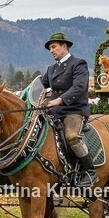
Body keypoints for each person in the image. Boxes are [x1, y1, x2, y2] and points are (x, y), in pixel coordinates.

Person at [42, 32, 95, 186]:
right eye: (50, 48)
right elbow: (40, 85)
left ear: (64, 46)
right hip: (53, 111)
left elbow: (79, 87)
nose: (51, 50)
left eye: (54, 47)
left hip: (74, 110)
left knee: (72, 136)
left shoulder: (79, 64)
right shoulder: (51, 69)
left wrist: (59, 100)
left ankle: (90, 171)